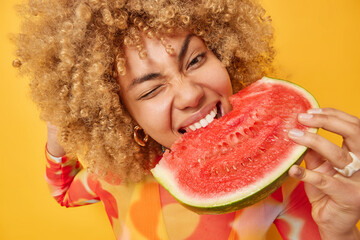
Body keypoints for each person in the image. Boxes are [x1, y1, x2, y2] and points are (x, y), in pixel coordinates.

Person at [13, 0, 360, 239]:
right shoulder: (112, 177)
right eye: (150, 91)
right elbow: (62, 192)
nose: (191, 94)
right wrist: (61, 121)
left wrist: (340, 231)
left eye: (195, 60)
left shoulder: (285, 182)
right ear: (121, 112)